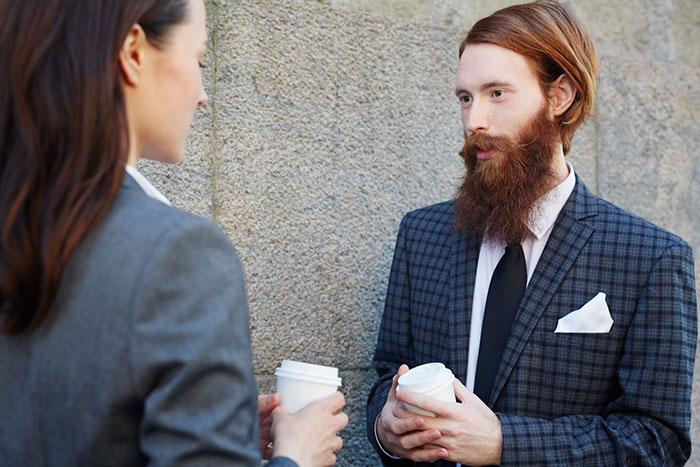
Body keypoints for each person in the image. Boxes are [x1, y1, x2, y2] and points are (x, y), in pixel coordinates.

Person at [0, 0, 347, 466]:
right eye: (199, 59)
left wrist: (226, 435)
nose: (203, 94)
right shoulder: (178, 254)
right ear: (134, 53)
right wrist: (295, 457)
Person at [367, 1, 697, 465]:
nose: (474, 121)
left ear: (559, 96)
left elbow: (657, 439)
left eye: (497, 93)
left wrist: (504, 442)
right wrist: (386, 427)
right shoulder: (421, 234)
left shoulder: (652, 258)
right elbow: (387, 374)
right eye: (465, 97)